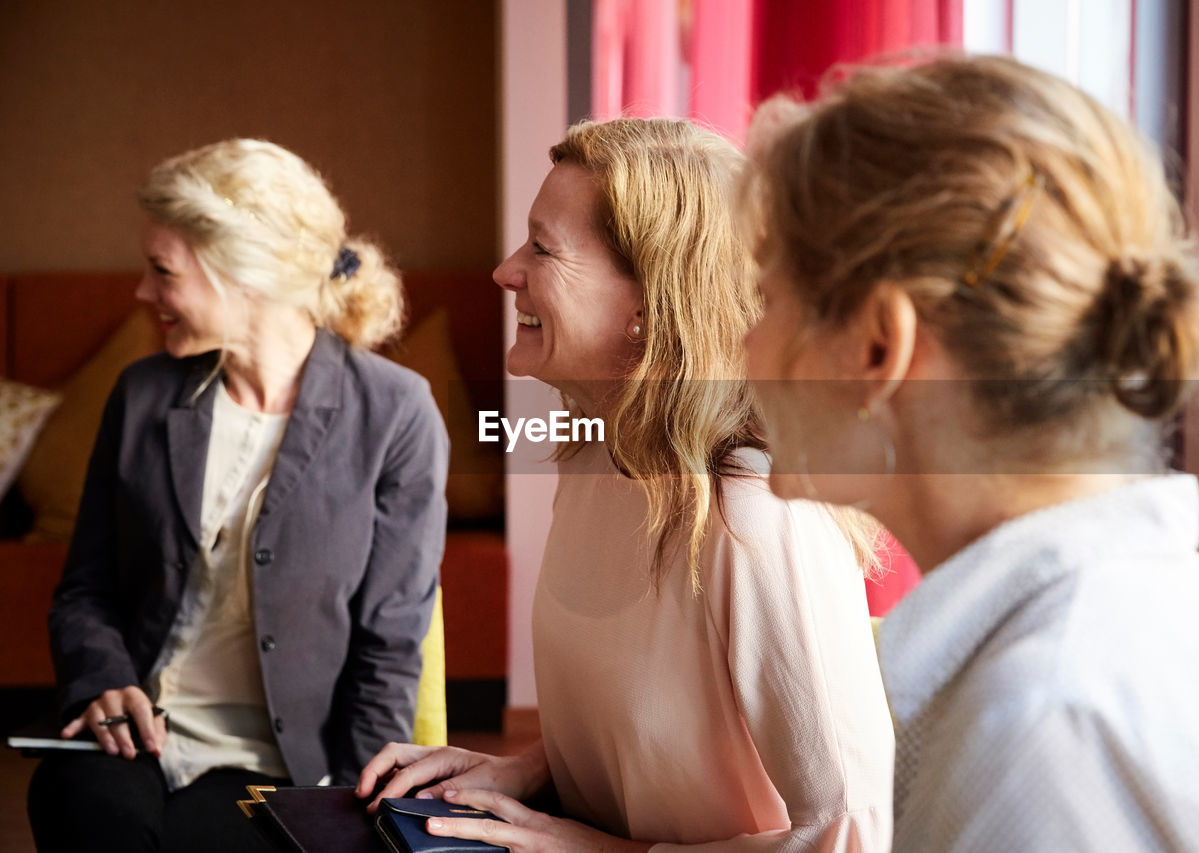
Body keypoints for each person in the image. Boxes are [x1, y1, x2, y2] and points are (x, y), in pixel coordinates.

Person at [740, 54, 1199, 851]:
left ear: (879, 345)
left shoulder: (1041, 724)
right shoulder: (1172, 618)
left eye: (765, 299)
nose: (742, 344)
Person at [357, 117, 894, 851]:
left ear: (649, 305)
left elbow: (855, 834)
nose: (506, 270)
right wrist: (526, 771)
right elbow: (662, 719)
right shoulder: (592, 456)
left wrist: (596, 850)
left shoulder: (760, 521)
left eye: (542, 248)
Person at [27, 138, 448, 852]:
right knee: (83, 809)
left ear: (244, 275)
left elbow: (389, 644)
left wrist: (352, 807)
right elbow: (85, 588)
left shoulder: (396, 413)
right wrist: (102, 677)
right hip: (140, 744)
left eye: (162, 271)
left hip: (288, 766)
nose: (142, 292)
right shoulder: (141, 396)